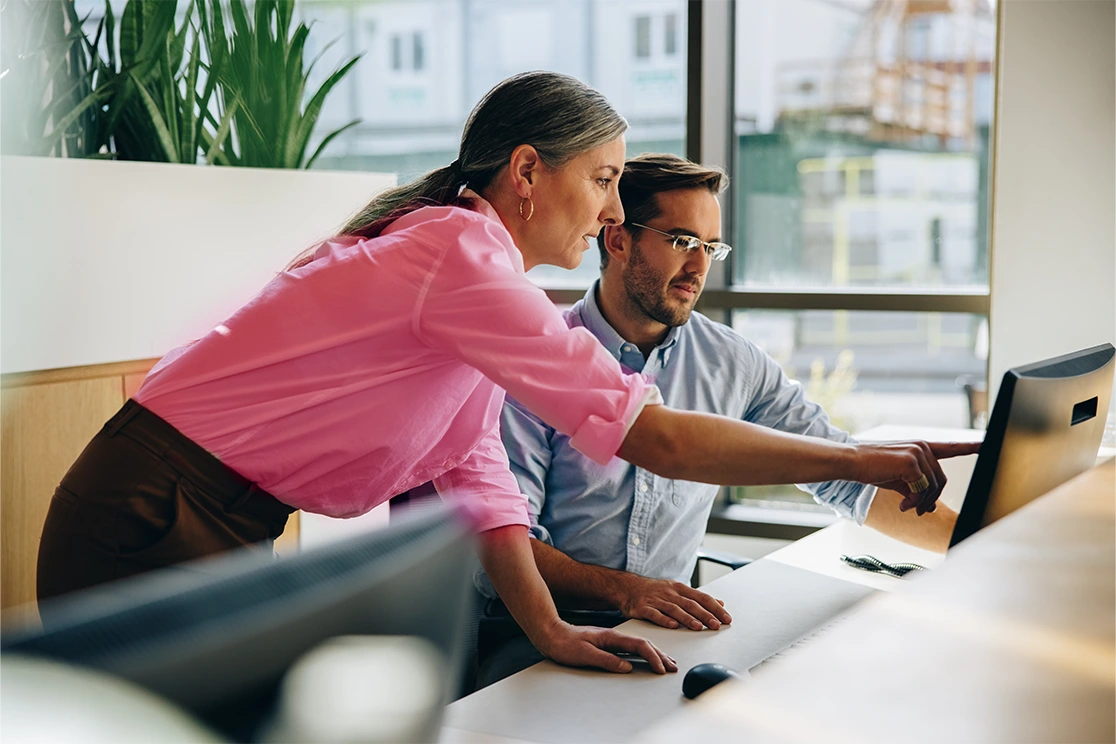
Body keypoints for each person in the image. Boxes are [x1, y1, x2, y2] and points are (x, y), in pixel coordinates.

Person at [37, 72, 977, 677]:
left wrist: (552, 633)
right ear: (529, 171)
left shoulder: (476, 284)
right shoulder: (459, 258)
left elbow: (477, 480)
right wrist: (864, 463)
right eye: (605, 179)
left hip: (204, 512)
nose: (613, 207)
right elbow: (653, 436)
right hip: (152, 509)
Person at [473, 154, 963, 682]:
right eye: (683, 242)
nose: (700, 267)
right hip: (539, 631)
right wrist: (627, 589)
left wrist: (977, 548)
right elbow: (506, 539)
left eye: (711, 247)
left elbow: (846, 479)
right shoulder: (537, 359)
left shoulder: (732, 361)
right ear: (617, 239)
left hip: (669, 632)